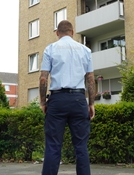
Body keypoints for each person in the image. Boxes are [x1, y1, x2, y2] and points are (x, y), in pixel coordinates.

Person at [39, 20, 96, 175]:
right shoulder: (85, 50)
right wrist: (91, 104)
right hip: (78, 100)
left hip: (57, 101)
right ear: (72, 32)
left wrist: (43, 102)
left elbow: (43, 78)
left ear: (57, 33)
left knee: (53, 145)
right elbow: (90, 79)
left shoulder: (50, 49)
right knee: (81, 147)